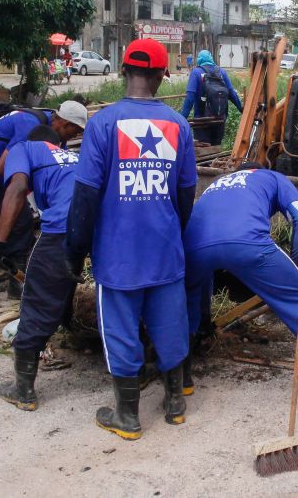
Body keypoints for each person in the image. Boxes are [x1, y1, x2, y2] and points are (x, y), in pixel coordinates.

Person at [64, 38, 197, 440]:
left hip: (118, 252)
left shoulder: (103, 123)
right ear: (160, 75)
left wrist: (76, 249)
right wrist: (172, 229)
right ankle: (175, 402)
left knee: (120, 329)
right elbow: (186, 193)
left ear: (123, 72)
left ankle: (128, 417)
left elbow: (86, 193)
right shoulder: (179, 125)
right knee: (171, 322)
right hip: (164, 250)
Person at [182, 163, 298, 413]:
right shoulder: (273, 177)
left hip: (193, 248)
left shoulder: (217, 183)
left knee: (189, 294)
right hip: (247, 243)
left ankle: (182, 379)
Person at [0, 124, 81, 411]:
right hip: (102, 228)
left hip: (62, 228)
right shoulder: (74, 158)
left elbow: (17, 187)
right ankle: (79, 333)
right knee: (77, 282)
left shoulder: (25, 147)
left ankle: (22, 389)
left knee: (37, 299)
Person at [0, 100, 87, 317]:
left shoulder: (54, 136)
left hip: (11, 177)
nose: (76, 136)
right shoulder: (28, 126)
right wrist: (0, 238)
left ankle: (16, 284)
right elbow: (3, 168)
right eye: (74, 130)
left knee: (22, 226)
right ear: (61, 121)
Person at [180, 49, 243, 145]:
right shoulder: (222, 72)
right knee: (216, 150)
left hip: (201, 121)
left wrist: (181, 119)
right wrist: (242, 110)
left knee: (204, 152)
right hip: (219, 119)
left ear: (199, 59)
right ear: (211, 58)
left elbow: (190, 98)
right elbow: (232, 93)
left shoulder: (196, 73)